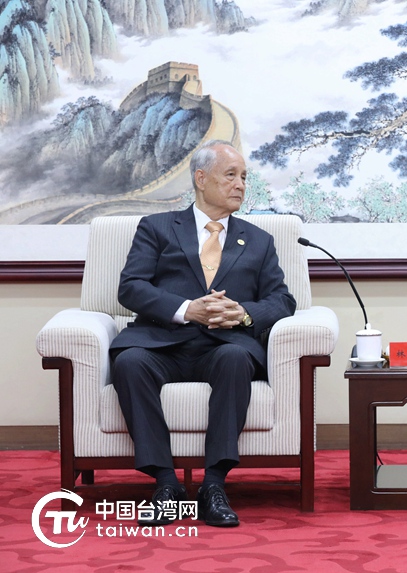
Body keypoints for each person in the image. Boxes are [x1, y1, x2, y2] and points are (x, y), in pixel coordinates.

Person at [110, 139, 296, 527]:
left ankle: (214, 486)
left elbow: (282, 300)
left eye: (244, 177)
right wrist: (186, 309)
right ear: (201, 178)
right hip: (162, 342)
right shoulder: (157, 228)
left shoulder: (259, 241)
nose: (240, 184)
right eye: (230, 175)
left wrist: (243, 314)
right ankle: (166, 484)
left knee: (235, 358)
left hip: (224, 345)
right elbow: (131, 287)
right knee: (129, 362)